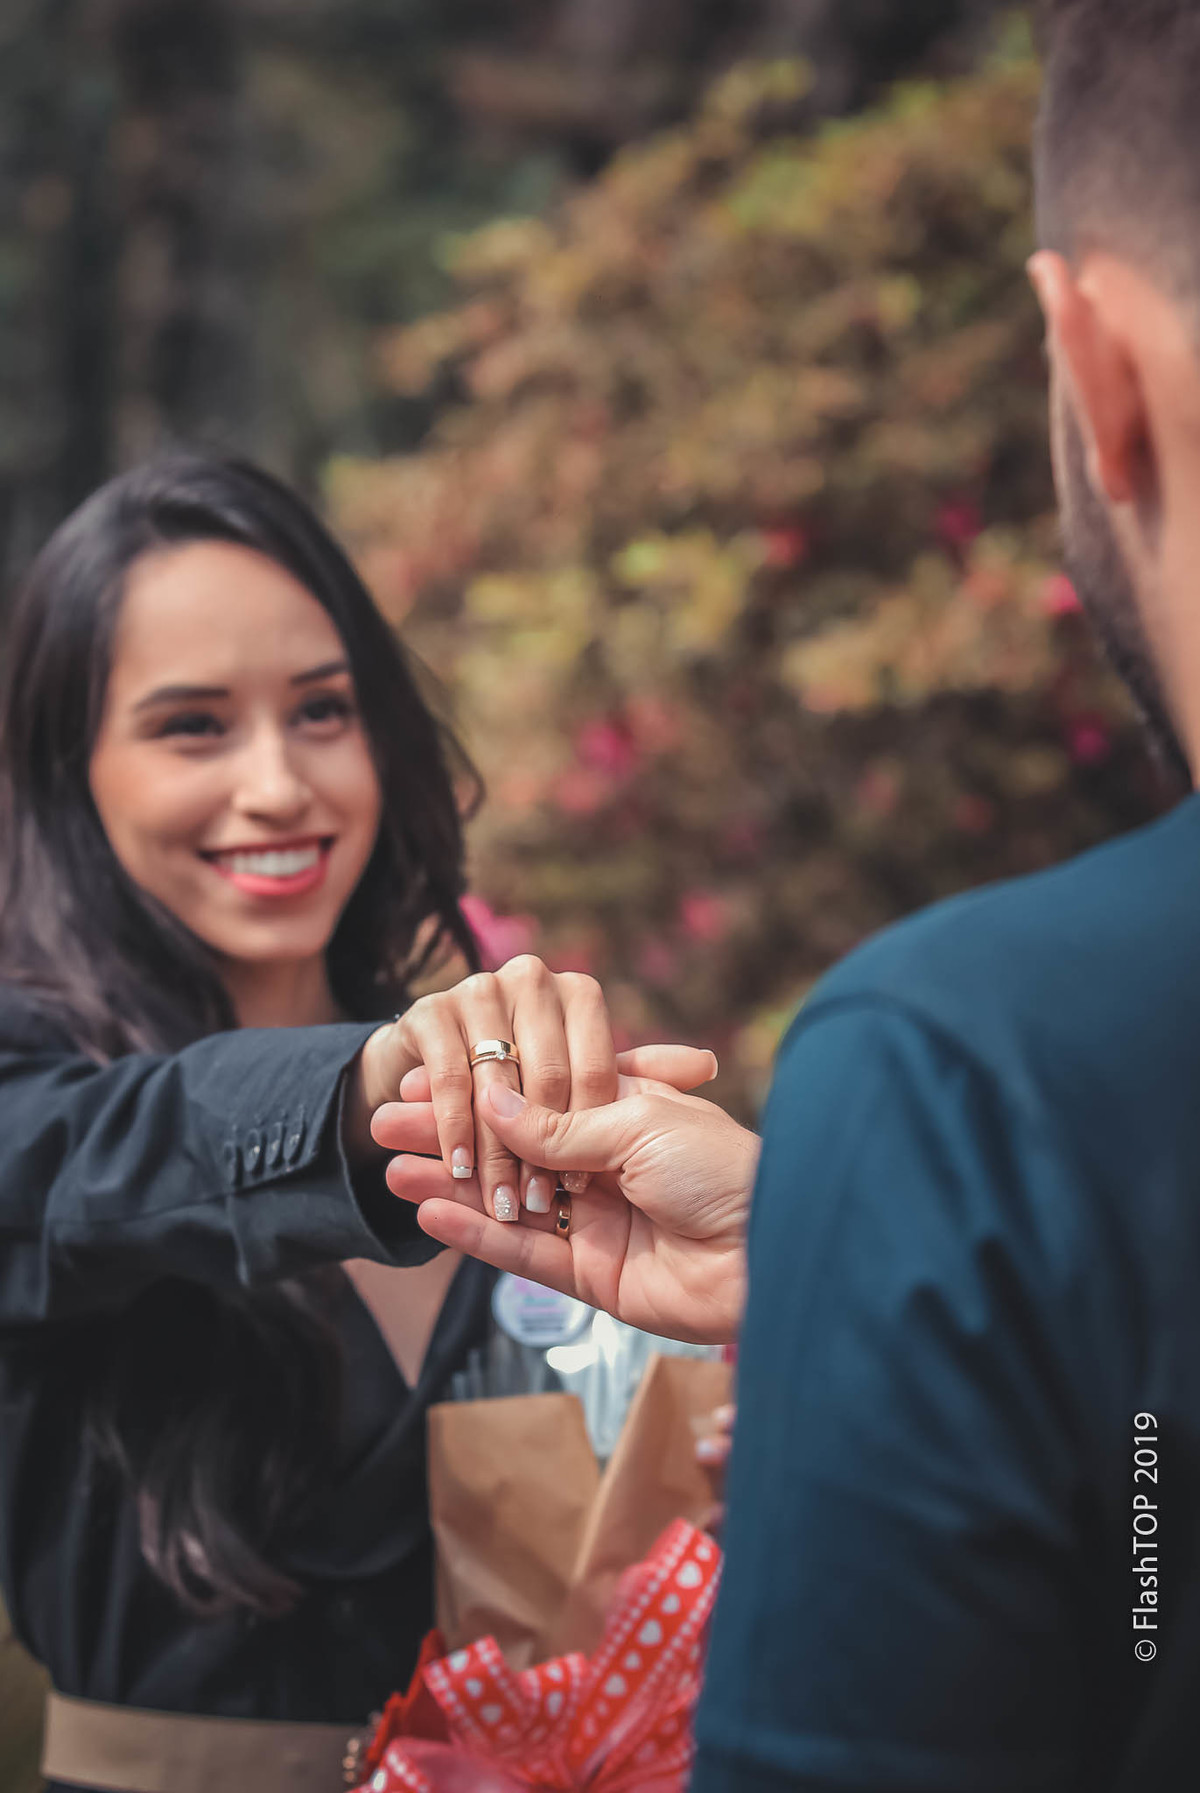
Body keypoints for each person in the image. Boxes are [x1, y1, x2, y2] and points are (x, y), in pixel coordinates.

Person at [376, 2, 1200, 1783]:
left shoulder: (976, 1069)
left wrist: (923, 1261)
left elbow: (1146, 1576)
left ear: (1094, 359)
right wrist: (834, 1270)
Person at [0, 454, 713, 1793]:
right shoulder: (35, 1094)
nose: (280, 786)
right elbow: (114, 1155)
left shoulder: (517, 1104)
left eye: (321, 710)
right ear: (69, 769)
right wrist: (364, 1091)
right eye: (193, 726)